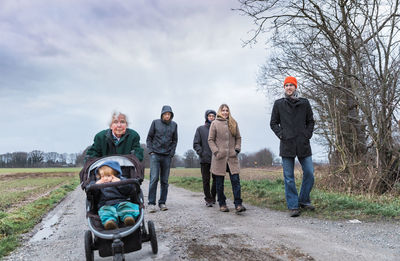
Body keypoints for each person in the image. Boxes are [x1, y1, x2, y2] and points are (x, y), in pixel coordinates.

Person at [270, 76, 315, 217]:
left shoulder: (304, 103)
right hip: (287, 144)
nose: (289, 87)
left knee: (309, 173)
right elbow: (273, 123)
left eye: (291, 85)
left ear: (295, 87)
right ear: (284, 88)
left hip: (303, 144)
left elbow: (310, 121)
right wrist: (282, 135)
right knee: (289, 177)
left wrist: (306, 135)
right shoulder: (278, 104)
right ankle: (293, 205)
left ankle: (303, 200)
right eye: (286, 85)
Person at [208, 104, 246, 213]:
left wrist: (237, 149)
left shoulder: (233, 123)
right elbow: (210, 140)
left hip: (232, 158)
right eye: (223, 110)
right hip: (219, 158)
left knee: (236, 181)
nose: (225, 112)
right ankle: (222, 204)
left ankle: (238, 204)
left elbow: (238, 138)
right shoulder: (214, 123)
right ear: (219, 111)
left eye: (227, 110)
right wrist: (216, 152)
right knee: (219, 183)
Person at [146, 105, 178, 213]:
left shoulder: (174, 125)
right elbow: (149, 138)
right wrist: (151, 151)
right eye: (165, 114)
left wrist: (171, 153)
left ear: (171, 115)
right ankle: (151, 203)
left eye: (169, 114)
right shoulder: (155, 123)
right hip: (155, 154)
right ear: (162, 114)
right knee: (154, 178)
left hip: (167, 156)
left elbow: (174, 140)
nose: (167, 116)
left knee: (165, 181)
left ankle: (162, 202)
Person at [93, 161, 140, 230]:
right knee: (106, 212)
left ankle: (128, 218)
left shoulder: (122, 180)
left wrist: (120, 183)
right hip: (106, 204)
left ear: (115, 174)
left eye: (108, 176)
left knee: (126, 207)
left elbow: (129, 190)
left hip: (121, 202)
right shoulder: (98, 183)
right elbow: (94, 195)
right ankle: (110, 222)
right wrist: (96, 186)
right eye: (102, 176)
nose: (105, 178)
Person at [193, 109, 217, 207]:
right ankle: (208, 199)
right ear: (206, 117)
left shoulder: (217, 128)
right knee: (206, 180)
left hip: (216, 159)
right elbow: (196, 143)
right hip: (205, 159)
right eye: (209, 116)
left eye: (213, 116)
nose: (211, 117)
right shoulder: (200, 129)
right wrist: (201, 153)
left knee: (216, 180)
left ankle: (213, 197)